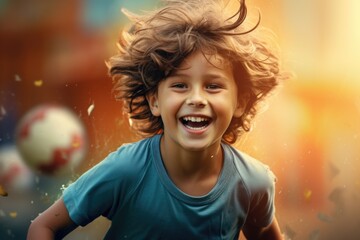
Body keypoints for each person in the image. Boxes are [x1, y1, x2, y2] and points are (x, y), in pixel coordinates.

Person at [27, 0, 288, 239]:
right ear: (155, 101)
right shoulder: (125, 171)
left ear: (240, 102)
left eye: (213, 86)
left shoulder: (252, 182)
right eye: (180, 85)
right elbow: (43, 227)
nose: (196, 98)